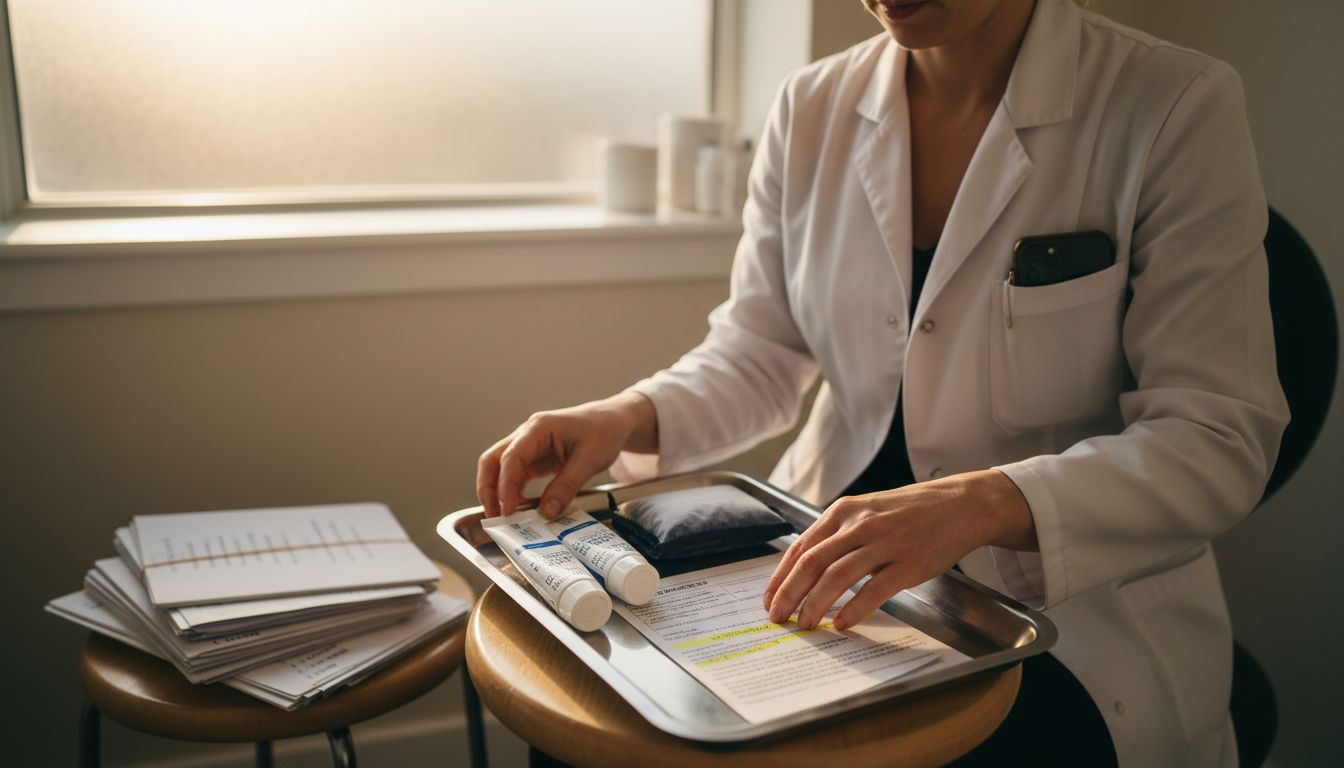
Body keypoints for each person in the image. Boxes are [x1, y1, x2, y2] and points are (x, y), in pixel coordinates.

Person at [476, 0, 1288, 764]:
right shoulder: (811, 105)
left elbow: (1218, 437)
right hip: (818, 552)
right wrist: (626, 416)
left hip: (1062, 610)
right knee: (602, 722)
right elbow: (760, 349)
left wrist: (982, 504)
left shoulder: (1172, 103)